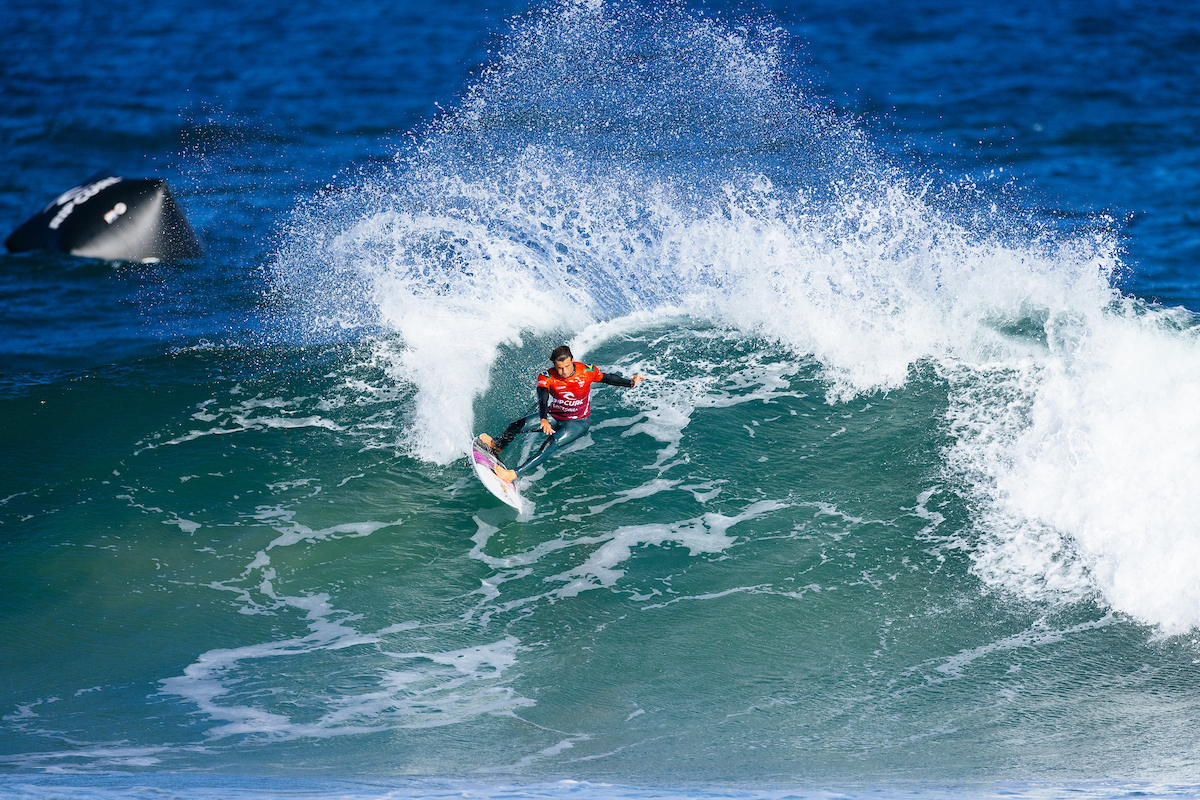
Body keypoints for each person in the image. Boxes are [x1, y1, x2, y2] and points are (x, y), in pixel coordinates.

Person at [480, 345, 645, 483]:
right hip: (553, 416)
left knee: (548, 445)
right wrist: (543, 419)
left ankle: (512, 474)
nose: (564, 371)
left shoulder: (587, 371)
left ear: (572, 360)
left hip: (577, 423)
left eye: (567, 366)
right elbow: (543, 398)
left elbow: (608, 378)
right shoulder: (546, 376)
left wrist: (631, 382)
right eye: (559, 368)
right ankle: (498, 445)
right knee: (515, 426)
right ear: (553, 365)